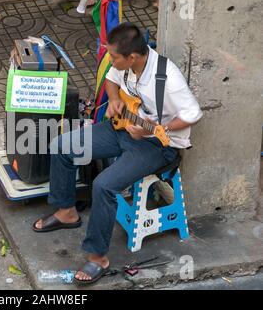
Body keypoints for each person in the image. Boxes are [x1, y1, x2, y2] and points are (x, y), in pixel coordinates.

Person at [32, 22, 203, 285]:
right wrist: (114, 99)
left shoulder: (167, 78)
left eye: (113, 56)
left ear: (132, 57)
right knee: (62, 146)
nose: (109, 60)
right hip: (122, 129)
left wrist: (154, 130)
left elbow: (193, 115)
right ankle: (67, 212)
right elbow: (112, 80)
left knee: (104, 185)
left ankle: (98, 257)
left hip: (157, 145)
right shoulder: (125, 66)